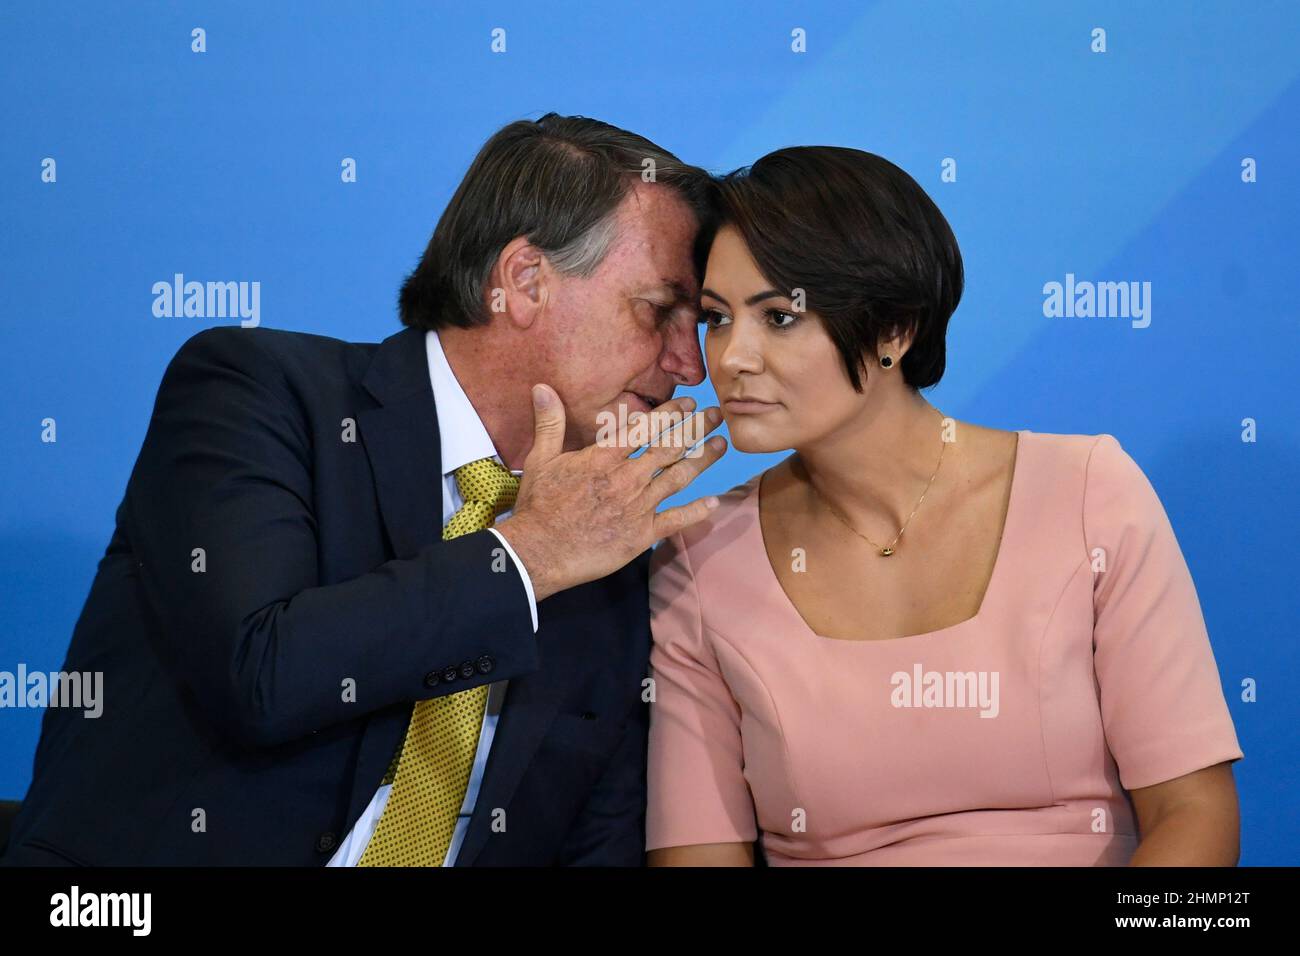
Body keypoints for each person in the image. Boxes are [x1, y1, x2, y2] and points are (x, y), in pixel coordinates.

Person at [1, 113, 727, 866]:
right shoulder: (255, 393)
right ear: (524, 281)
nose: (689, 365)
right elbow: (263, 673)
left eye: (699, 324)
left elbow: (596, 846)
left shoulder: (610, 553)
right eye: (659, 310)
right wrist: (526, 556)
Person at [645, 146, 1243, 866]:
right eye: (716, 318)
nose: (732, 357)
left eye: (777, 318)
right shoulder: (697, 557)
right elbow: (698, 857)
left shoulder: (1090, 492)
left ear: (896, 328)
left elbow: (1195, 815)